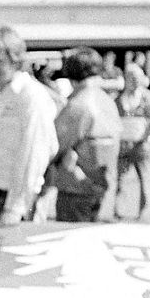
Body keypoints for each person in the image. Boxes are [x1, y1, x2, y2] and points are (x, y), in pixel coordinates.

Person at [0, 26, 59, 222]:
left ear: (15, 59)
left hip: (8, 202)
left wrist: (17, 207)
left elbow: (35, 153)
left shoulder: (31, 96)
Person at [48, 48, 121, 222]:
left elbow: (54, 144)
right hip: (103, 187)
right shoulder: (108, 101)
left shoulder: (78, 105)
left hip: (76, 188)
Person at [114, 61, 150, 219]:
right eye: (130, 77)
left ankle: (144, 214)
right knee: (118, 180)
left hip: (142, 146)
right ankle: (117, 212)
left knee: (145, 180)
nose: (134, 81)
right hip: (123, 146)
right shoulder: (117, 100)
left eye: (137, 77)